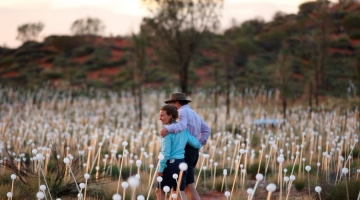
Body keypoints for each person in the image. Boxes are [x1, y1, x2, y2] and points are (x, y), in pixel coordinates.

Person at [160, 92, 210, 200]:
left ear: (177, 103)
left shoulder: (181, 112)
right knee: (184, 186)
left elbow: (182, 126)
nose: (171, 107)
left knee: (187, 187)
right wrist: (198, 144)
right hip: (193, 151)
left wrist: (167, 129)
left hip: (185, 151)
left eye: (172, 104)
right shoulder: (193, 113)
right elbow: (206, 130)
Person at [156, 104, 202, 200]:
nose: (160, 118)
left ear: (170, 116)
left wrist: (161, 168)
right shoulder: (183, 130)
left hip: (171, 165)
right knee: (180, 193)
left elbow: (165, 153)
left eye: (162, 115)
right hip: (182, 164)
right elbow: (196, 144)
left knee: (159, 191)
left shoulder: (167, 133)